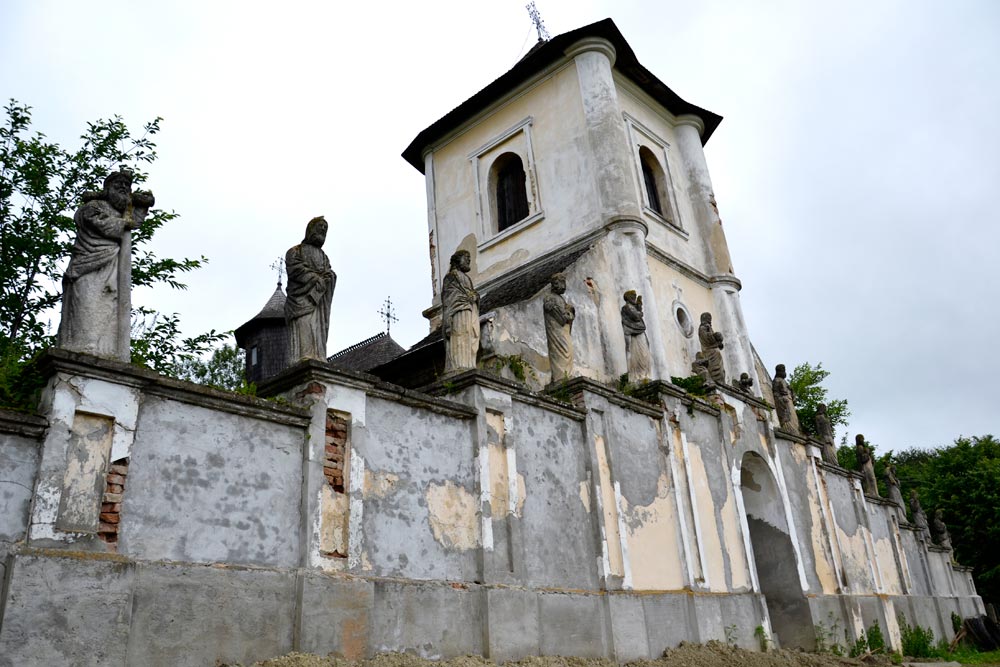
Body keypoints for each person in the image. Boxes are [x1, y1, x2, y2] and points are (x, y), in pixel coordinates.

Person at [58, 168, 153, 360]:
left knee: (109, 310)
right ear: (107, 188)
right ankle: (82, 352)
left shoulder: (122, 212)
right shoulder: (92, 207)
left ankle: (108, 354)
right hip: (88, 267)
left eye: (127, 186)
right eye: (119, 184)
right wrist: (125, 221)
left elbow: (133, 223)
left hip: (113, 269)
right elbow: (106, 225)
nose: (124, 188)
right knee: (88, 309)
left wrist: (142, 205)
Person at [285, 216, 336, 362]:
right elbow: (295, 269)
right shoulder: (295, 251)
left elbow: (329, 273)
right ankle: (303, 358)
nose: (322, 230)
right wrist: (316, 279)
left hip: (319, 301)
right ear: (310, 230)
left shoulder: (324, 257)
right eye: (320, 226)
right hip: (301, 301)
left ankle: (318, 357)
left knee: (318, 331)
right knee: (305, 327)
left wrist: (329, 277)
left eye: (325, 229)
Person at [442, 249, 480, 372]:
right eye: (466, 257)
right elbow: (449, 298)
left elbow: (472, 293)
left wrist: (475, 296)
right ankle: (458, 366)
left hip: (469, 311)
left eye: (469, 258)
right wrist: (467, 298)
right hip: (457, 312)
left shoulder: (467, 279)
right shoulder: (451, 277)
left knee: (469, 337)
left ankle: (468, 365)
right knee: (459, 337)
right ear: (458, 260)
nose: (469, 260)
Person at [543, 273, 575, 383]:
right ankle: (561, 379)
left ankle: (566, 377)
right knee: (561, 354)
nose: (564, 286)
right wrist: (569, 313)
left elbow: (565, 315)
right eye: (562, 283)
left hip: (563, 332)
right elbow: (562, 319)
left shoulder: (559, 298)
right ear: (556, 284)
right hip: (557, 332)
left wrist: (568, 312)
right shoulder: (550, 298)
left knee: (569, 353)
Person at [621, 290, 651, 382]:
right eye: (633, 296)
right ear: (628, 297)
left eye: (635, 296)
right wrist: (639, 312)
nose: (634, 298)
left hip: (640, 330)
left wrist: (639, 306)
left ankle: (644, 375)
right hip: (634, 332)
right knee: (639, 354)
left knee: (645, 353)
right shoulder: (626, 307)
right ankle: (638, 376)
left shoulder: (632, 307)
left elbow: (637, 315)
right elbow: (636, 317)